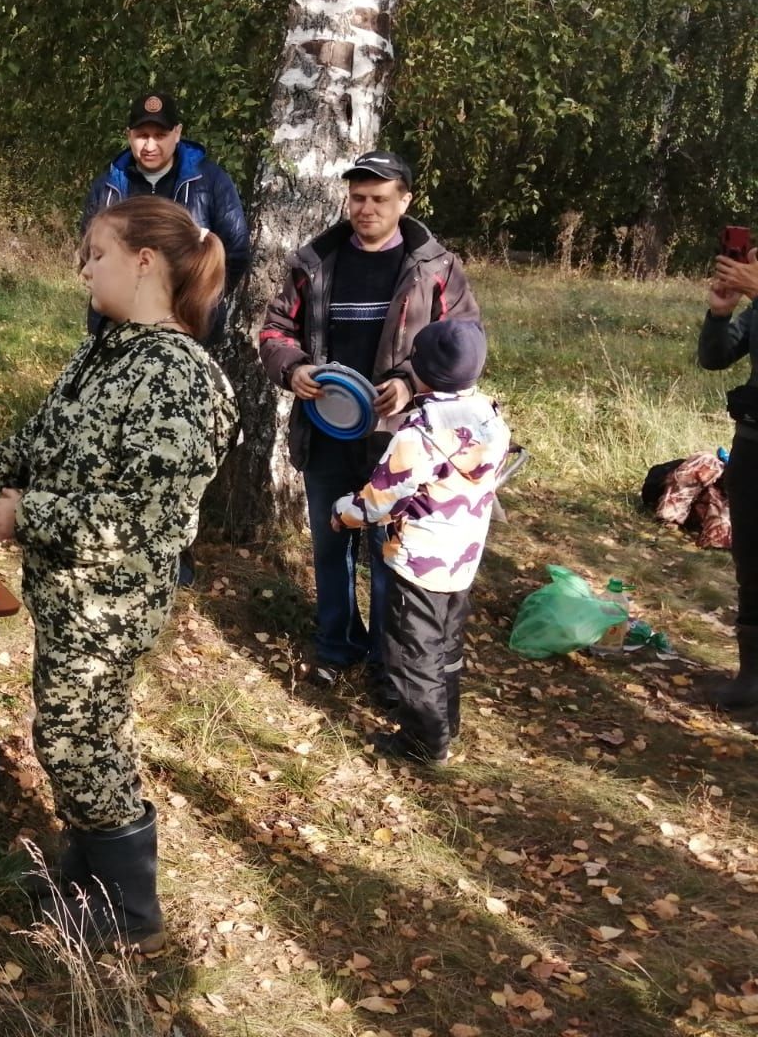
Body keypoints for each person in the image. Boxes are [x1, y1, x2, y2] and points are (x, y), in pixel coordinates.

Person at [0, 195, 237, 953]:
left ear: (144, 261)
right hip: (71, 592)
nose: (83, 269)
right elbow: (42, 444)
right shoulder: (106, 351)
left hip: (112, 599)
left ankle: (130, 912)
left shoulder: (180, 377)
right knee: (75, 733)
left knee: (77, 739)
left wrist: (28, 516)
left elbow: (143, 518)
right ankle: (84, 878)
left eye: (96, 253)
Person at [259, 151, 480, 693]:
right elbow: (273, 329)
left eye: (379, 199)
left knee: (389, 554)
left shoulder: (436, 268)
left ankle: (388, 661)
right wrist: (294, 369)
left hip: (400, 442)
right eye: (357, 198)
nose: (365, 209)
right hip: (326, 430)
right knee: (330, 548)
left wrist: (411, 382)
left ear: (405, 200)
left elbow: (466, 343)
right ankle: (336, 646)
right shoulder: (315, 262)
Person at [331, 320, 510, 763]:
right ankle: (446, 723)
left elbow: (381, 499)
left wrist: (342, 513)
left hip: (419, 563)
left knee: (415, 653)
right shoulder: (491, 417)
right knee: (447, 646)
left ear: (424, 373)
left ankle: (424, 743)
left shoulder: (420, 433)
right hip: (462, 559)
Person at [81, 90, 251, 351]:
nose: (150, 146)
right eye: (142, 136)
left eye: (160, 136)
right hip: (116, 329)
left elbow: (235, 252)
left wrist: (193, 298)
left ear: (177, 133)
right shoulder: (108, 186)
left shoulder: (211, 181)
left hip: (189, 327)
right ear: (129, 134)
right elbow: (88, 252)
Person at [697, 248, 758, 708]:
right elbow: (716, 359)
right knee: (750, 562)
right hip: (752, 443)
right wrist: (720, 315)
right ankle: (750, 679)